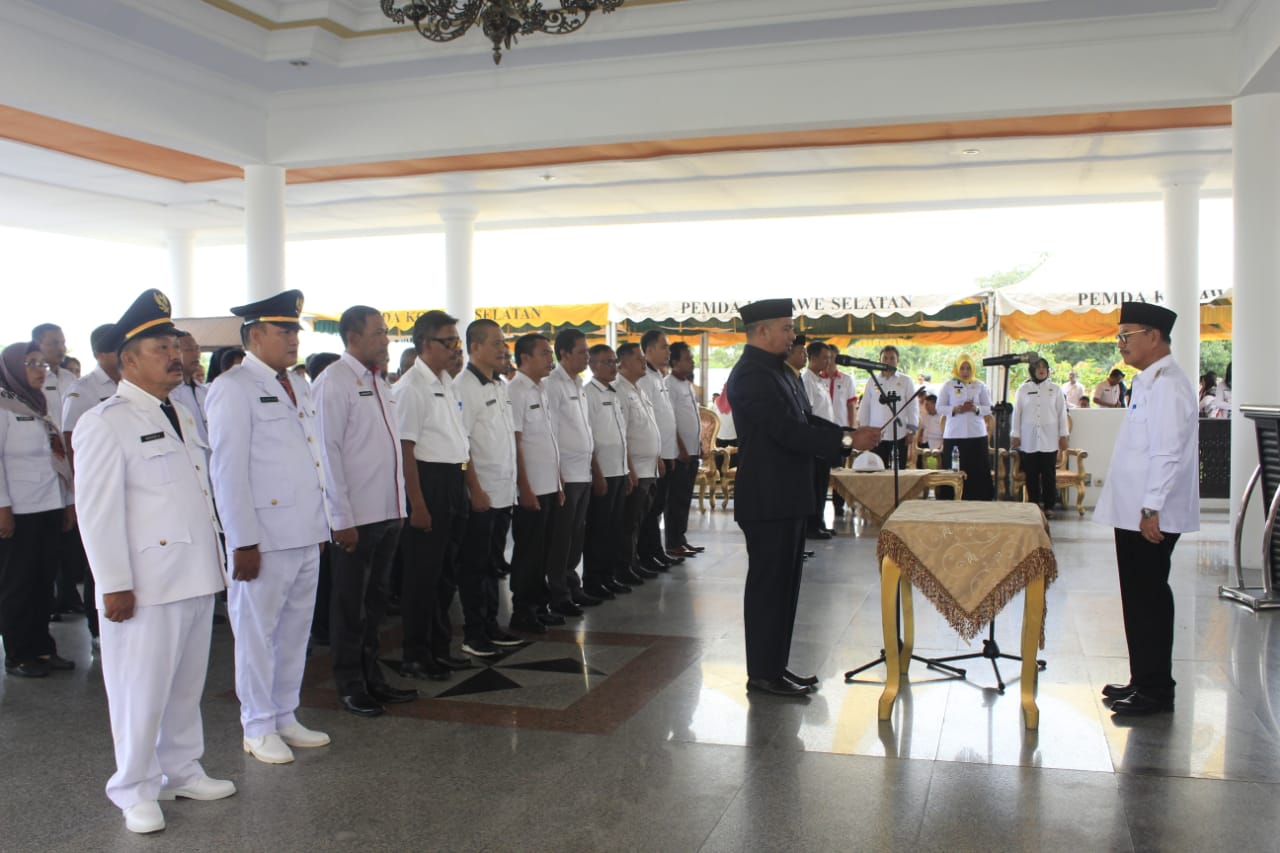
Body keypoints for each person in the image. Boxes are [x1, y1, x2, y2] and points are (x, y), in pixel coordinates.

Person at [73, 289, 233, 834]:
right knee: (138, 692)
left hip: (194, 573)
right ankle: (135, 788)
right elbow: (97, 512)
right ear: (129, 359)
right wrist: (113, 584)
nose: (174, 355)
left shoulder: (180, 413)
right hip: (145, 583)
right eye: (160, 347)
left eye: (174, 345)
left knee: (185, 687)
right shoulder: (105, 422)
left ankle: (181, 770)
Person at [724, 299, 880, 698]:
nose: (792, 335)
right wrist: (847, 442)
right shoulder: (751, 374)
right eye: (786, 328)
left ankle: (775, 666)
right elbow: (786, 431)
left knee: (786, 587)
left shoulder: (780, 371)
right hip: (767, 498)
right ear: (762, 331)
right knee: (769, 588)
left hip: (788, 495)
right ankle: (762, 673)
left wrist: (847, 433)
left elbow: (806, 420)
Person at [207, 289, 331, 765]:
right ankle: (257, 725)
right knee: (257, 634)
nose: (294, 339)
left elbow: (312, 459)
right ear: (255, 335)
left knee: (295, 631)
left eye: (296, 331)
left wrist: (322, 525)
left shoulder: (297, 384)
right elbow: (228, 470)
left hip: (304, 531)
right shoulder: (233, 387)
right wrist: (242, 541)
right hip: (263, 537)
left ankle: (284, 713)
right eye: (285, 330)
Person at [1093, 302, 1198, 716]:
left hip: (1150, 515)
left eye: (1127, 336)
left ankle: (1156, 689)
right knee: (1137, 597)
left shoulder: (1168, 384)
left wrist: (1152, 506)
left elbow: (1167, 452)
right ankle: (1142, 679)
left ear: (1153, 336)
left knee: (1149, 597)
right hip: (1135, 512)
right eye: (1119, 337)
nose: (1120, 344)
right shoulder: (1148, 382)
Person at [313, 306, 417, 717]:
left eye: (386, 332)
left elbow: (389, 447)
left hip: (386, 511)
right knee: (349, 606)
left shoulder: (380, 382)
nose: (386, 339)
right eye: (378, 332)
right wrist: (341, 520)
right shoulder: (333, 382)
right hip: (356, 517)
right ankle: (350, 684)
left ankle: (373, 677)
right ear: (353, 337)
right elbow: (328, 454)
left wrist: (400, 504)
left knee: (374, 605)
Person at [393, 311, 472, 678]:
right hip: (428, 483)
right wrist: (418, 503)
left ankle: (439, 648)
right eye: (448, 341)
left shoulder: (445, 381)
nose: (455, 348)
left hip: (453, 480)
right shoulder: (411, 387)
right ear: (425, 344)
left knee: (445, 574)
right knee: (422, 576)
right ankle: (415, 654)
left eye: (456, 340)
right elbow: (405, 450)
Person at [0, 341, 75, 678]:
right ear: (12, 367)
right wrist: (2, 507)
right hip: (19, 510)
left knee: (44, 581)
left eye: (42, 364)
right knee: (18, 583)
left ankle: (43, 648)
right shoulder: (3, 406)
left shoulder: (41, 403)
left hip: (49, 503)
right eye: (31, 363)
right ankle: (18, 654)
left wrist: (67, 502)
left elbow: (58, 457)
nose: (39, 370)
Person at [454, 319, 524, 656]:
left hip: (503, 491)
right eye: (496, 342)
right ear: (475, 347)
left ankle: (491, 624)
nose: (503, 348)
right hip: (481, 493)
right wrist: (475, 489)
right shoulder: (463, 387)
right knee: (474, 565)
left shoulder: (499, 385)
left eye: (503, 342)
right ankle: (473, 632)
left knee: (493, 563)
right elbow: (462, 444)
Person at [61, 323, 121, 648]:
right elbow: (72, 443)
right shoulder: (82, 390)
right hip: (97, 486)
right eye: (116, 348)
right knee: (96, 563)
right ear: (100, 353)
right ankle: (96, 629)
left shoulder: (132, 382)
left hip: (126, 485)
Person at [506, 333, 564, 634]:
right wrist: (524, 488)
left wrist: (559, 482)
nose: (549, 358)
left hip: (549, 485)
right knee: (528, 552)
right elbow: (515, 443)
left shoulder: (541, 389)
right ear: (525, 358)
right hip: (531, 489)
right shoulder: (516, 390)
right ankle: (523, 610)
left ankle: (540, 606)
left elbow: (549, 439)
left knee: (544, 550)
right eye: (544, 353)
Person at [544, 328, 598, 613]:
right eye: (582, 352)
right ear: (564, 353)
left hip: (583, 472)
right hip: (566, 473)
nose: (587, 357)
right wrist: (558, 475)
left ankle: (572, 584)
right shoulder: (553, 385)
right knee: (561, 538)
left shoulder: (578, 384)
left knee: (577, 536)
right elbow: (551, 431)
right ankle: (558, 593)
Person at [581, 344, 633, 599]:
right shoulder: (588, 394)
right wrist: (597, 473)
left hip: (619, 470)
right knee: (598, 530)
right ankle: (593, 580)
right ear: (592, 365)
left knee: (614, 528)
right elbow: (588, 437)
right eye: (607, 362)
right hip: (602, 472)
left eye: (614, 361)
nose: (614, 366)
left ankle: (609, 576)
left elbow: (622, 435)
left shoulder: (614, 393)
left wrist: (628, 471)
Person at [615, 342, 662, 587]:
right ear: (623, 362)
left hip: (649, 467)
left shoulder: (638, 389)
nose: (644, 362)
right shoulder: (619, 390)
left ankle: (634, 562)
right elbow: (622, 434)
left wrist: (658, 457)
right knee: (628, 523)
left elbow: (649, 426)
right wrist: (630, 469)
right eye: (638, 358)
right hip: (636, 470)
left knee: (640, 521)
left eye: (643, 358)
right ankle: (624, 568)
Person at [636, 331, 682, 572]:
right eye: (664, 347)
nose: (668, 352)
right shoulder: (644, 378)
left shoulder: (658, 377)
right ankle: (647, 554)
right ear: (649, 350)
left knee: (658, 507)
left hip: (666, 453)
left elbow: (664, 418)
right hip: (655, 457)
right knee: (650, 509)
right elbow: (648, 420)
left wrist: (671, 452)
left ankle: (656, 551)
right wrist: (660, 456)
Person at [1010, 358, 1070, 518]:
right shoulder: (1023, 389)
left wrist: (1063, 435)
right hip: (1028, 439)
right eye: (1038, 367)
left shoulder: (1055, 389)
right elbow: (1017, 413)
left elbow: (1062, 414)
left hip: (1049, 438)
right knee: (1031, 474)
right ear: (1032, 370)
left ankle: (1049, 506)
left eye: (1044, 367)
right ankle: (1034, 505)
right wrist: (1015, 434)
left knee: (1048, 474)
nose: (1041, 370)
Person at [664, 341, 703, 558]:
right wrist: (680, 448)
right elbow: (671, 420)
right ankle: (672, 542)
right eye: (688, 358)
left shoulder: (686, 383)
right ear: (675, 362)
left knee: (686, 497)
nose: (692, 362)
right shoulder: (668, 384)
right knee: (676, 499)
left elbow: (693, 416)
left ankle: (681, 538)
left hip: (693, 449)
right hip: (680, 453)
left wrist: (699, 444)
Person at [936, 353, 994, 501]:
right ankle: (952, 498)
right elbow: (939, 407)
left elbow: (989, 408)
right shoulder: (949, 385)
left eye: (968, 368)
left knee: (977, 469)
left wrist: (975, 408)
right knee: (954, 468)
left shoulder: (979, 385)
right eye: (962, 368)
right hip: (954, 434)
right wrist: (955, 409)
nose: (965, 371)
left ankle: (979, 499)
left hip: (976, 434)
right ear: (957, 368)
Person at [857, 345, 919, 471]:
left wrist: (911, 430)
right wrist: (863, 428)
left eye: (892, 358)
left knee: (899, 471)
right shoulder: (872, 380)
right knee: (877, 470)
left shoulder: (906, 381)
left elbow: (913, 406)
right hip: (876, 434)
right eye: (885, 358)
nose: (888, 361)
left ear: (898, 361)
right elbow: (865, 406)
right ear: (880, 360)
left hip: (900, 434)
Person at [801, 341, 838, 535]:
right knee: (815, 483)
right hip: (816, 440)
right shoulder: (807, 380)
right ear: (813, 358)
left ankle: (820, 522)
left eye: (830, 358)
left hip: (825, 439)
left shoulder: (819, 380)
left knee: (823, 482)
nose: (828, 362)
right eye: (825, 358)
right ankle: (812, 525)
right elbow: (809, 413)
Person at [169, 331, 209, 458]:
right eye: (188, 349)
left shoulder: (204, 392)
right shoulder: (170, 395)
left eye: (197, 349)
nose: (195, 354)